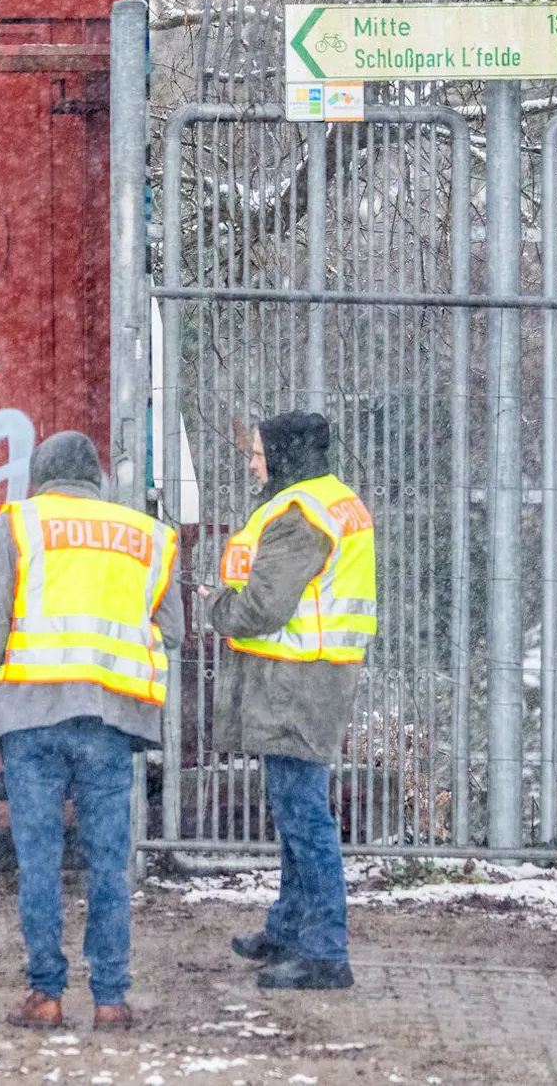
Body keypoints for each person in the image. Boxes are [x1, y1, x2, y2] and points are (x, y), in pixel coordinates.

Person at [0, 431, 182, 1031]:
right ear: (98, 477)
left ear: (42, 476)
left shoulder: (20, 525)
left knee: (40, 858)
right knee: (108, 861)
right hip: (109, 720)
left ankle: (47, 994)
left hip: (30, 720)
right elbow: (174, 630)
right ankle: (110, 998)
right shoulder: (147, 538)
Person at [199, 411, 376, 990]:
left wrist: (218, 606)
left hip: (296, 679)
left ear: (283, 454)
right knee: (296, 810)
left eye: (258, 453)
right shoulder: (332, 499)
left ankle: (325, 951)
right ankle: (290, 929)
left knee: (304, 816)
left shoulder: (300, 513)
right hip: (313, 675)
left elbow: (264, 607)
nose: (252, 462)